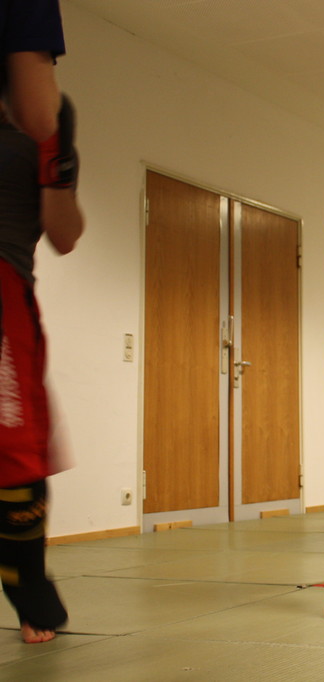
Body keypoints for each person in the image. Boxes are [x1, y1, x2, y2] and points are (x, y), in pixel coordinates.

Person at [1, 0, 83, 645]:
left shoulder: (53, 116)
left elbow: (64, 234)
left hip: (5, 279)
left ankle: (27, 583)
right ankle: (28, 585)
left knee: (16, 444)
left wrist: (57, 155)